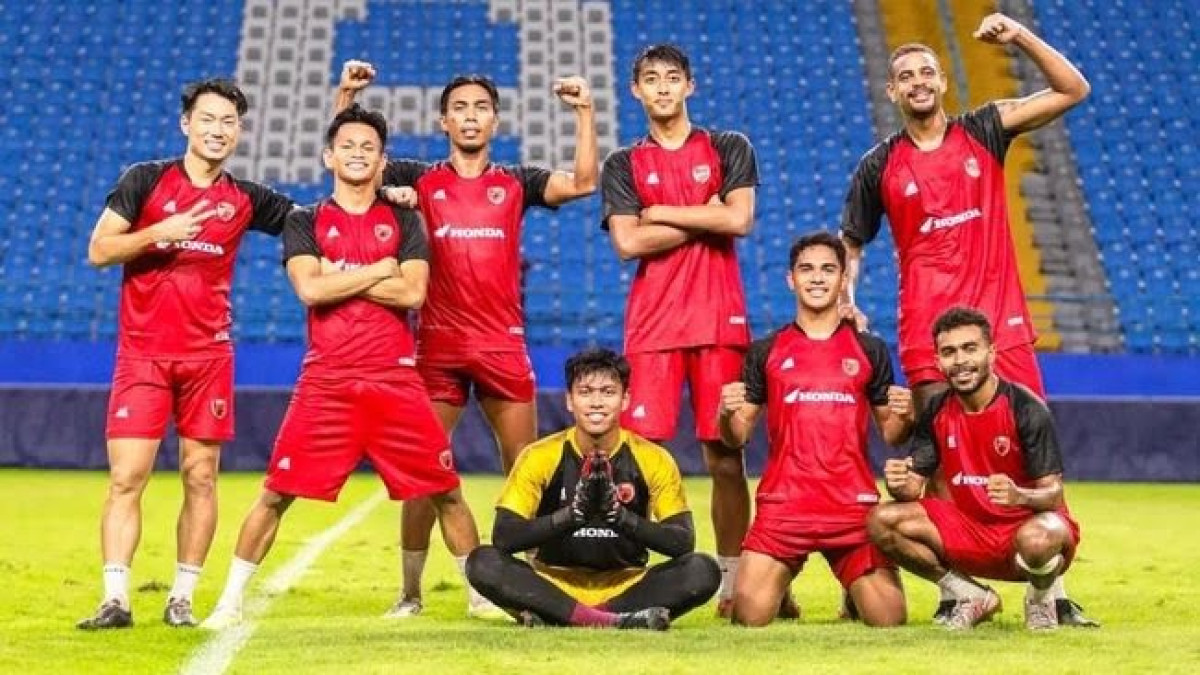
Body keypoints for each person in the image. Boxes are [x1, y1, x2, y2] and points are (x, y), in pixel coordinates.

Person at [839, 12, 1096, 626]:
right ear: (892, 91)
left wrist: (1021, 38)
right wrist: (849, 293)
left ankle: (1048, 594)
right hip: (927, 334)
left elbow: (1073, 90)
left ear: (944, 82)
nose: (918, 81)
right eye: (906, 75)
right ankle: (959, 591)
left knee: (1032, 456)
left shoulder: (984, 129)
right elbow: (851, 238)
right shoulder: (879, 165)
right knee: (937, 464)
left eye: (928, 71)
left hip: (1002, 327)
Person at [199, 105, 481, 630]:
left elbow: (414, 292)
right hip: (326, 380)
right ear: (329, 155)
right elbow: (310, 288)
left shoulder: (403, 219)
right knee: (276, 493)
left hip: (396, 379)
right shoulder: (304, 219)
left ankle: (479, 598)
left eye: (367, 147)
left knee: (446, 489)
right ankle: (229, 602)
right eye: (347, 145)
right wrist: (378, 270)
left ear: (381, 160)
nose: (357, 153)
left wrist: (343, 275)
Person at [333, 61, 597, 617]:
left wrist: (584, 113)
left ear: (495, 121)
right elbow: (351, 165)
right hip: (438, 347)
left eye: (480, 107)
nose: (470, 116)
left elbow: (584, 183)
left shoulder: (515, 182)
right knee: (424, 470)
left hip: (502, 346)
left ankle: (525, 586)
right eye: (460, 108)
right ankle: (410, 592)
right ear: (442, 120)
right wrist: (346, 96)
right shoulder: (418, 179)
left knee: (524, 471)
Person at [78, 79, 295, 629]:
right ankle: (115, 598)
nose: (218, 130)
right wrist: (159, 232)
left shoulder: (246, 198)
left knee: (201, 477)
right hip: (144, 357)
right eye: (208, 119)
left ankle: (182, 596)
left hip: (208, 359)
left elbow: (321, 217)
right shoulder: (145, 180)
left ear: (239, 132)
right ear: (186, 124)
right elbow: (99, 250)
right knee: (128, 476)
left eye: (229, 122)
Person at [600, 43, 757, 614]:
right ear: (636, 91)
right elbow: (627, 243)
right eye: (651, 79)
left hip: (719, 319)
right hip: (654, 324)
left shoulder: (728, 146)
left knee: (725, 457)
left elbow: (738, 219)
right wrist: (702, 213)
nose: (662, 88)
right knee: (643, 459)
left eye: (672, 78)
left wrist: (662, 211)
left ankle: (733, 582)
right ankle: (640, 581)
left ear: (690, 85)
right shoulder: (623, 163)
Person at [717, 232, 912, 627]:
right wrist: (725, 414)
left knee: (890, 620)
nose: (817, 278)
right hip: (784, 509)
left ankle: (853, 591)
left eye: (828, 269)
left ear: (843, 280)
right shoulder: (766, 351)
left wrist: (906, 415)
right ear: (791, 279)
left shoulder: (869, 349)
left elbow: (891, 434)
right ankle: (781, 583)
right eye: (806, 269)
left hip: (852, 508)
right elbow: (736, 437)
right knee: (747, 617)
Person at [465, 348, 720, 630]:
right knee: (482, 561)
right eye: (585, 392)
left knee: (702, 570)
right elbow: (504, 536)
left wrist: (619, 517)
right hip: (553, 582)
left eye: (608, 392)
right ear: (569, 401)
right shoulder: (538, 456)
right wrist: (573, 515)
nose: (596, 402)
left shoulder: (654, 458)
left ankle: (565, 616)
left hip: (626, 584)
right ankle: (615, 620)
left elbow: (681, 542)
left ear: (625, 400)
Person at [868, 307, 1087, 630]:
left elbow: (1054, 495)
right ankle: (969, 593)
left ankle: (1040, 600)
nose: (960, 360)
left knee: (1040, 539)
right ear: (938, 360)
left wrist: (1019, 495)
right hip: (969, 529)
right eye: (949, 352)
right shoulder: (937, 410)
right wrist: (898, 482)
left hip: (1022, 532)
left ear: (991, 352)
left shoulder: (1026, 409)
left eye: (970, 348)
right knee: (880, 520)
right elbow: (912, 488)